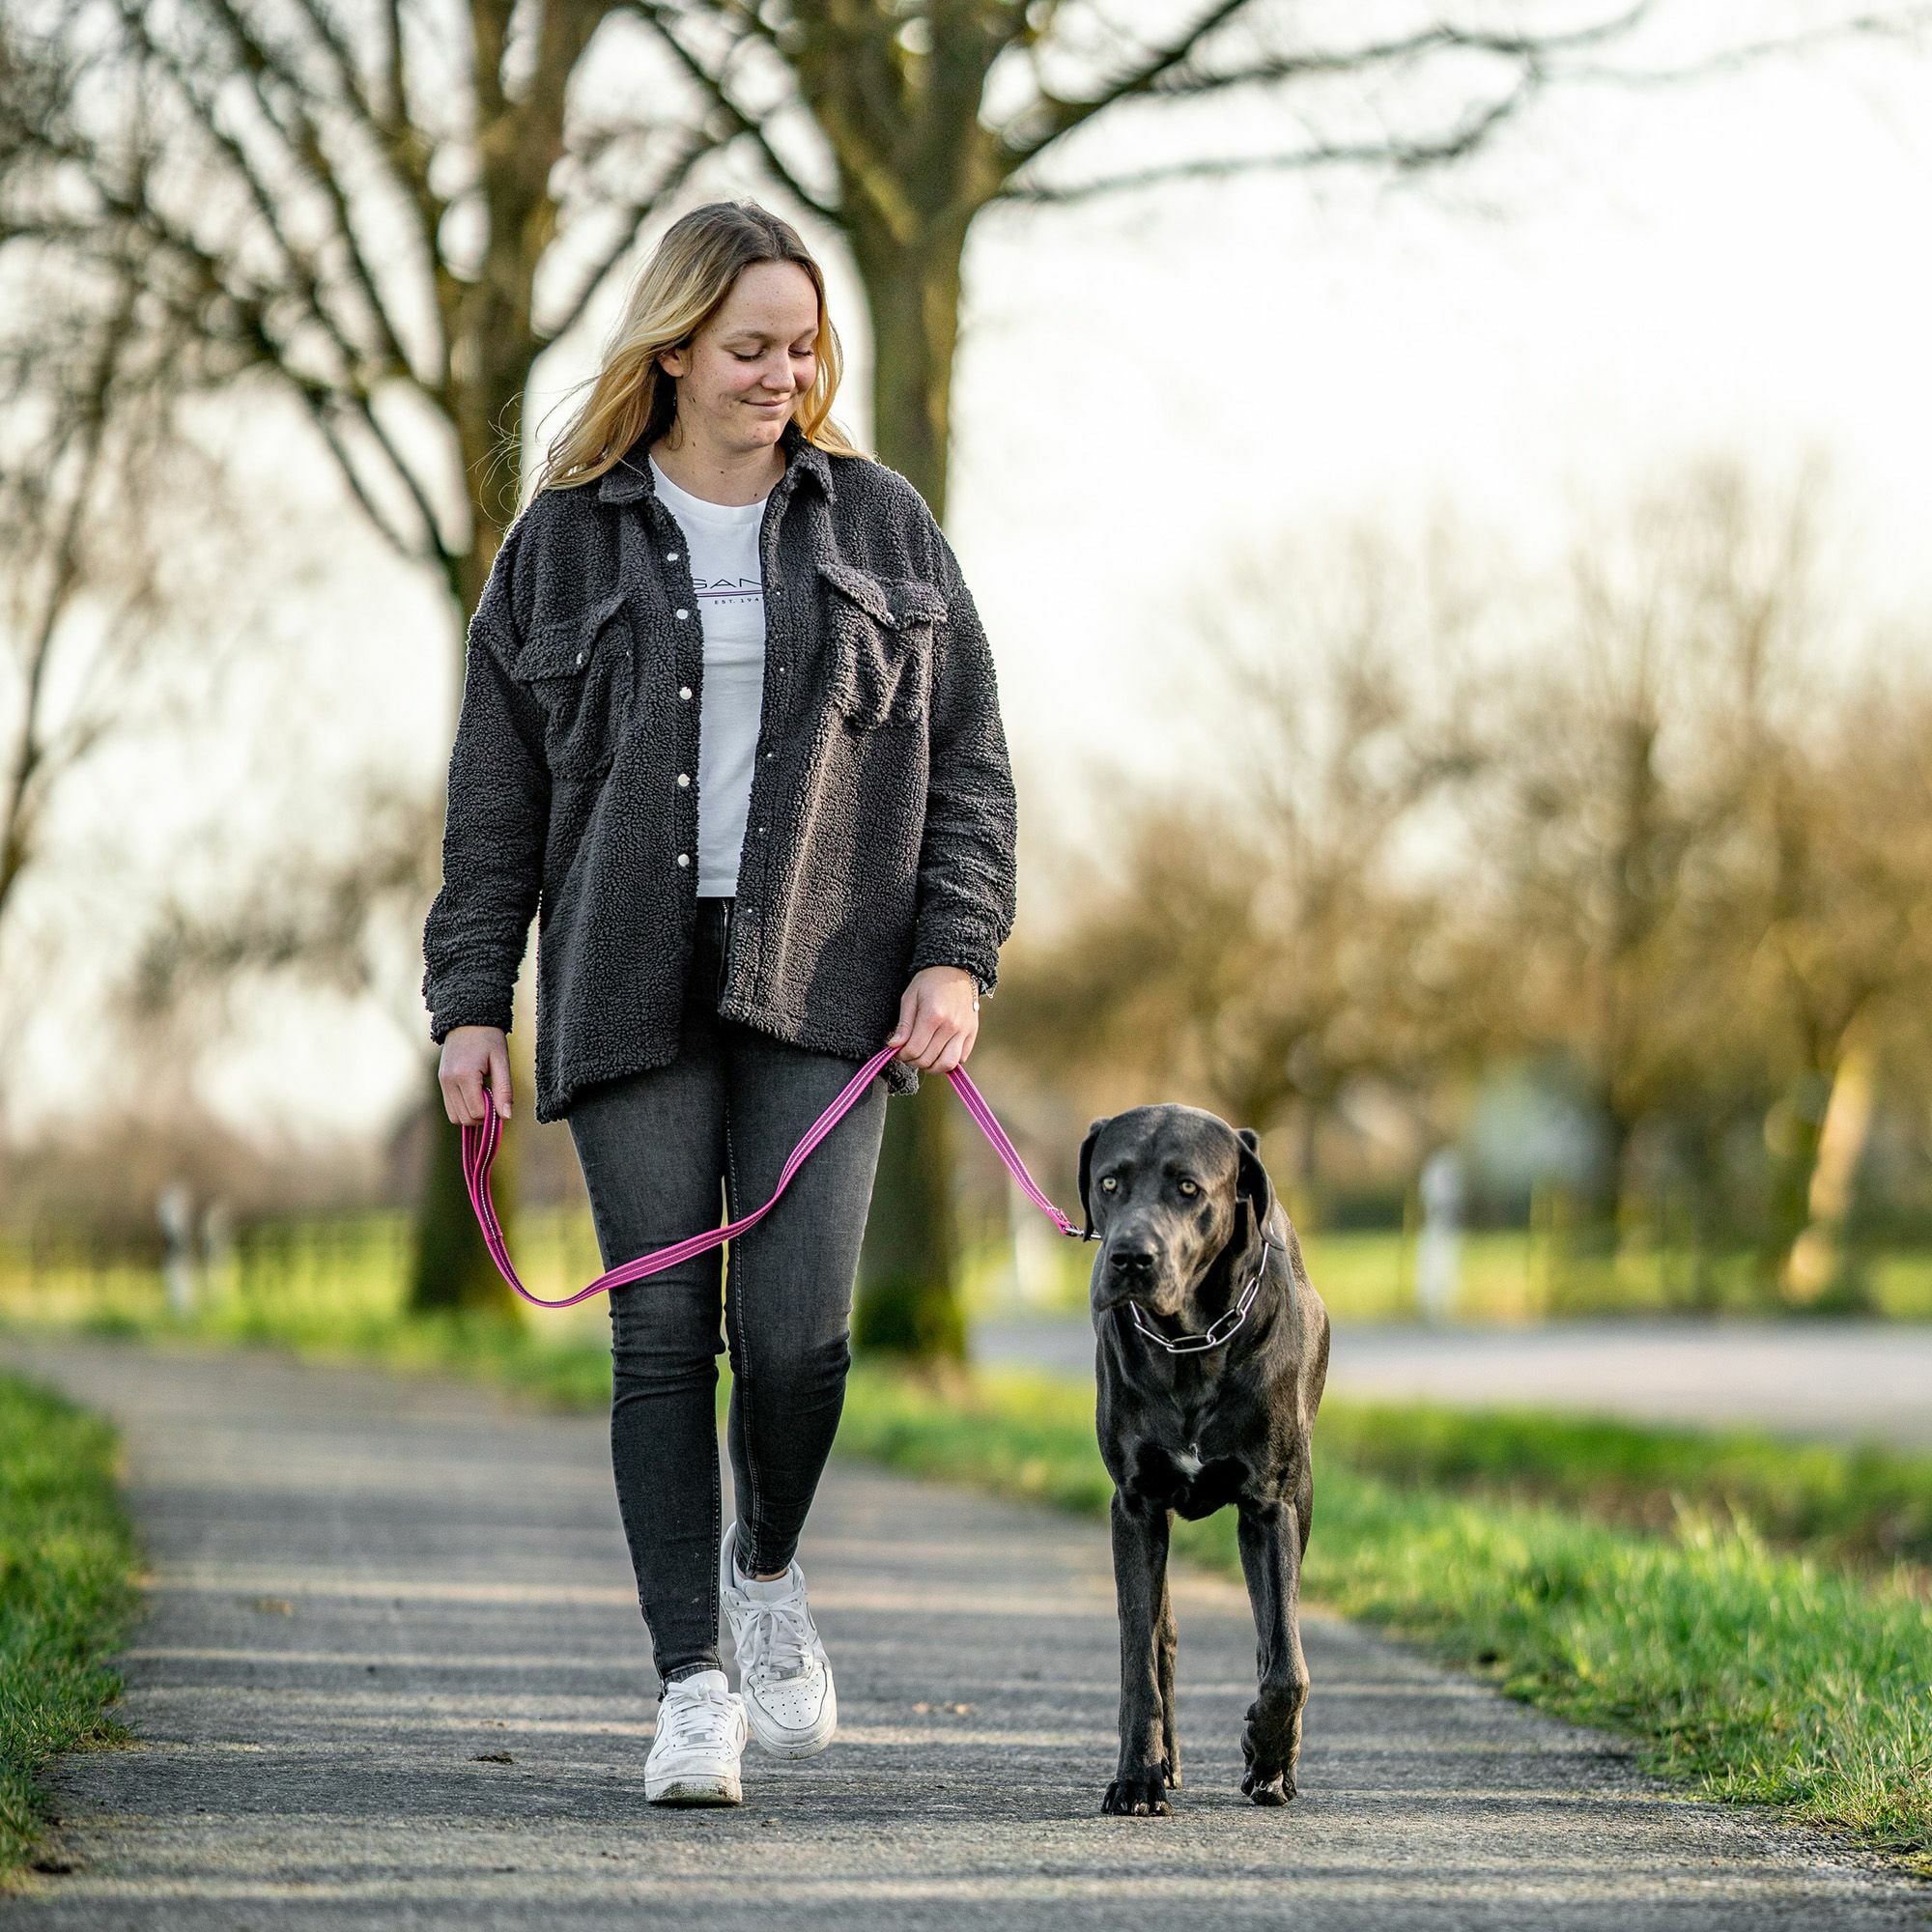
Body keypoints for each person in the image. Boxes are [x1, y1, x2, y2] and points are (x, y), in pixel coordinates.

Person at [420, 200, 1018, 1806]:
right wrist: (471, 1000)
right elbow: (495, 794)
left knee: (800, 1335)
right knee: (661, 1336)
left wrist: (955, 952)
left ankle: (765, 1569)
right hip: (626, 977)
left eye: (804, 346)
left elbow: (968, 763)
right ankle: (691, 1681)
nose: (783, 373)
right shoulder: (561, 539)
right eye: (750, 346)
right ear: (672, 347)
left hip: (827, 980)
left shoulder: (885, 526)